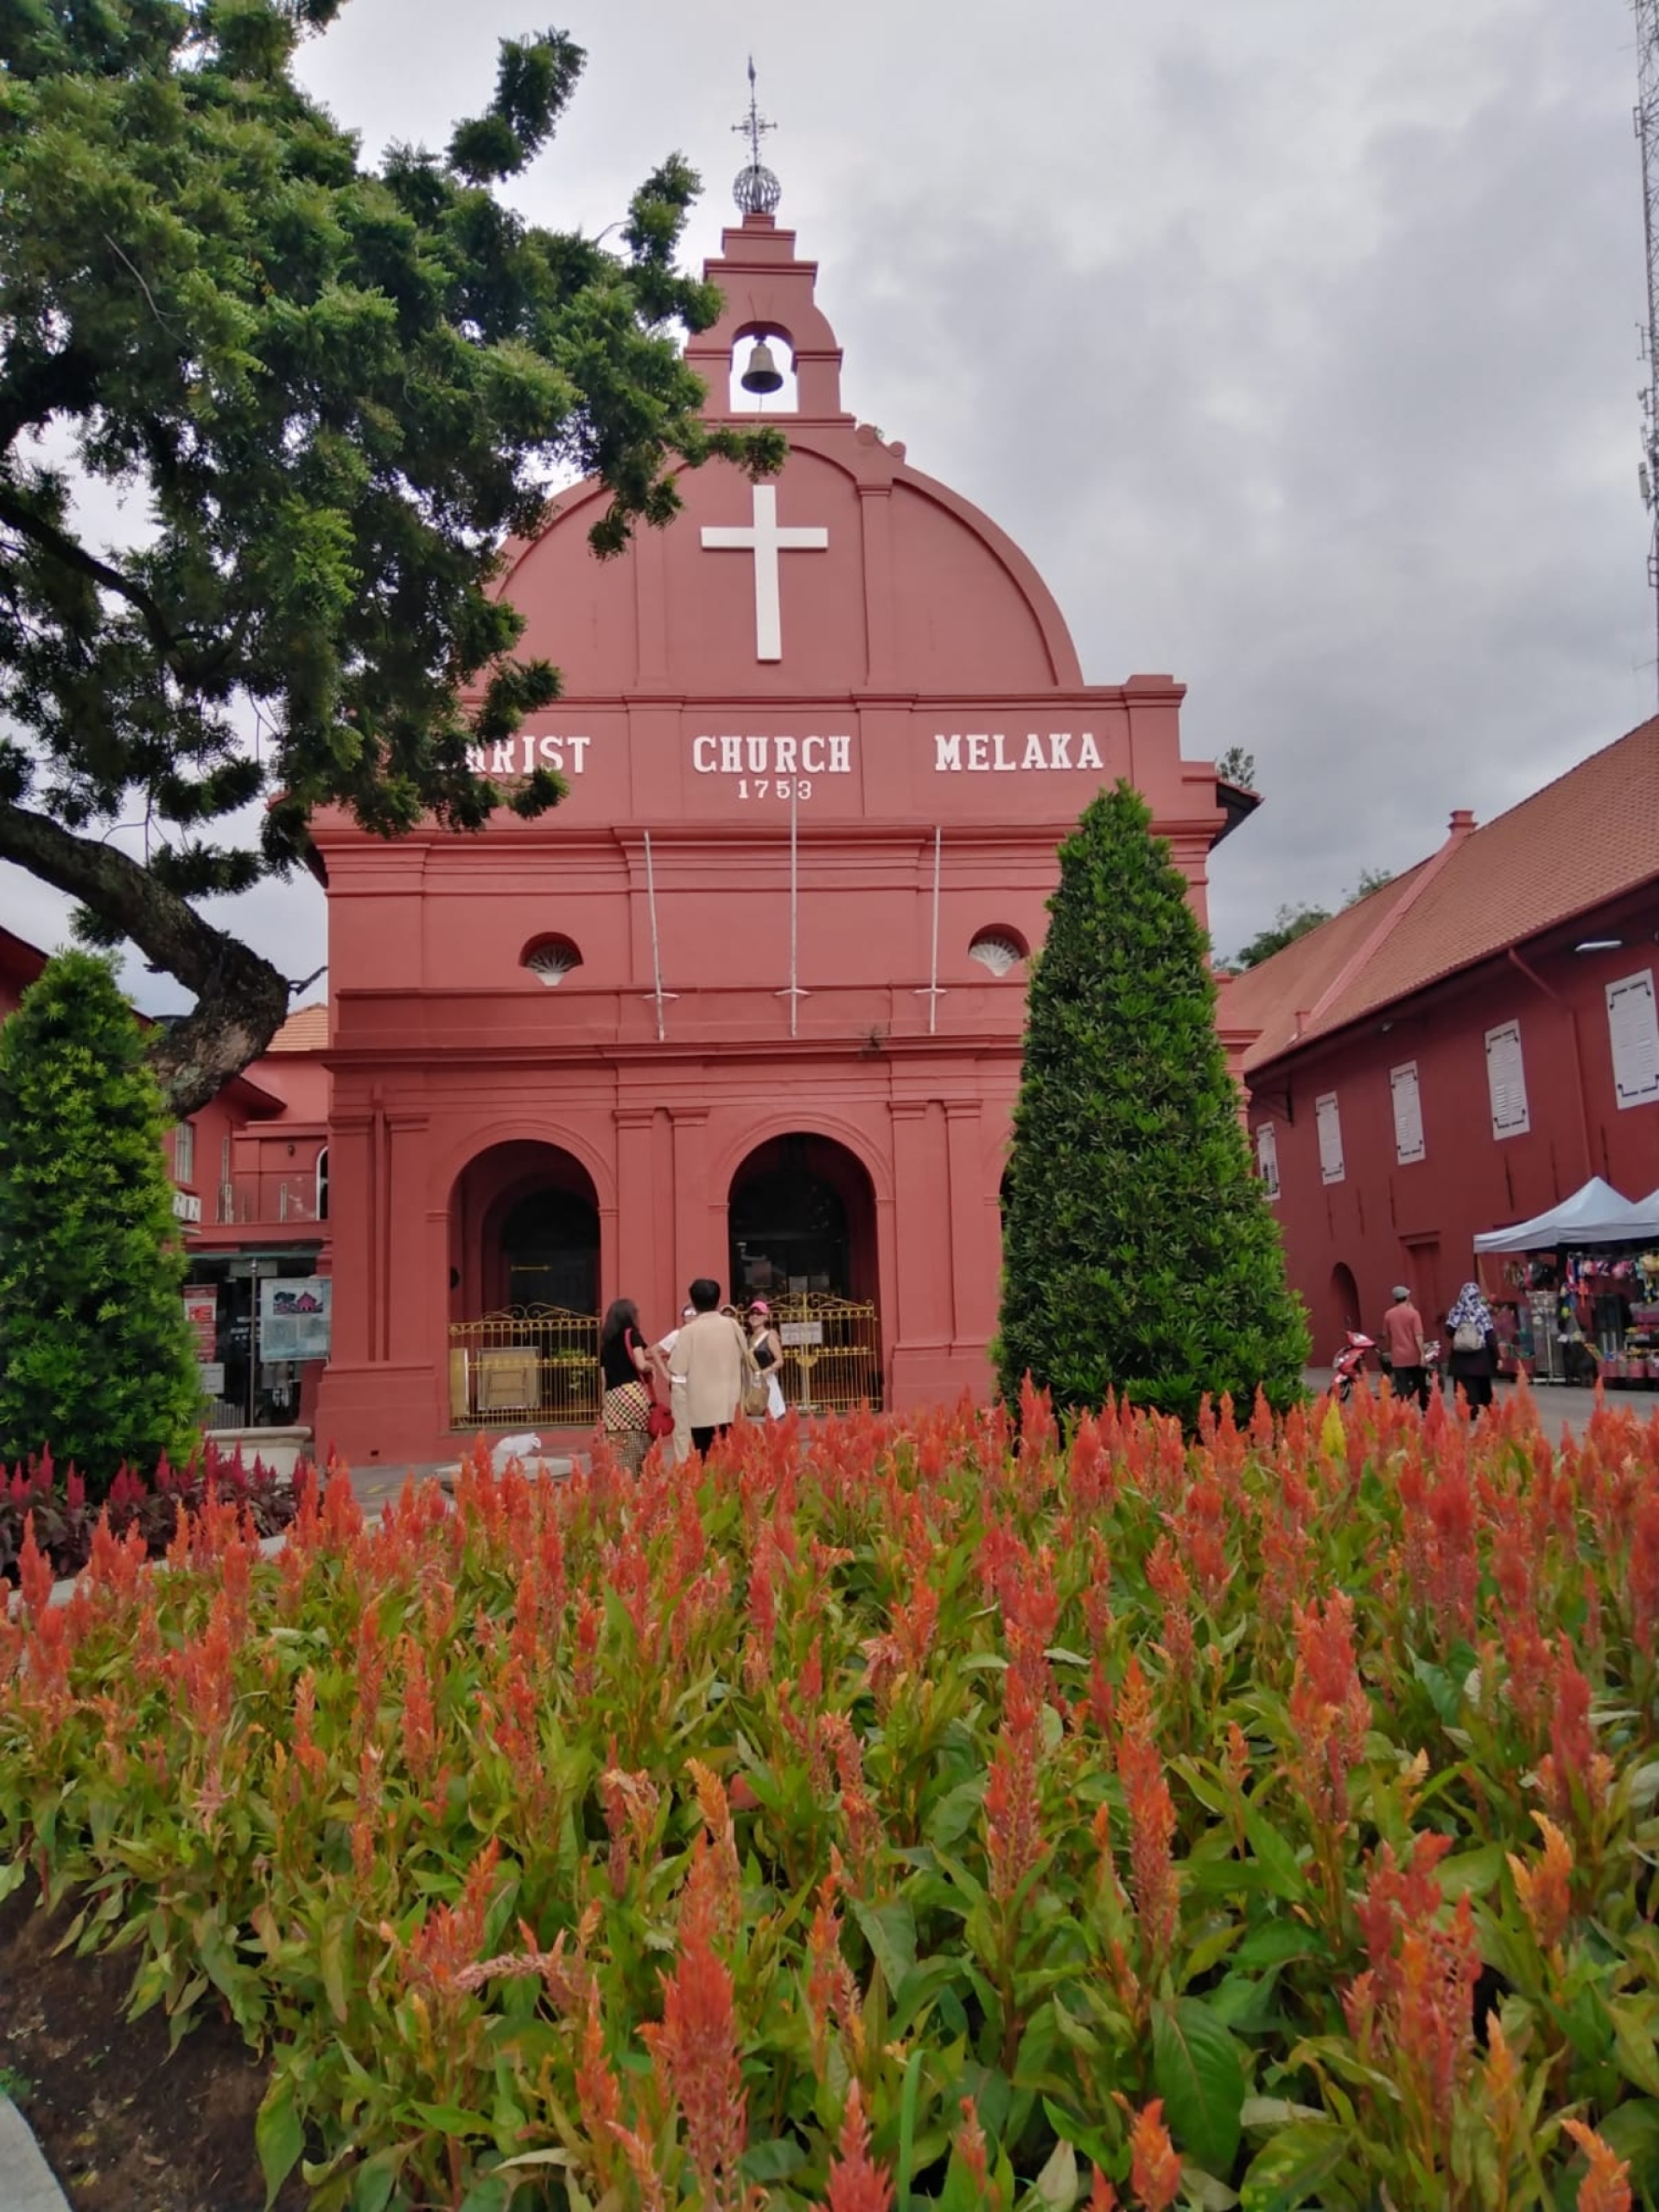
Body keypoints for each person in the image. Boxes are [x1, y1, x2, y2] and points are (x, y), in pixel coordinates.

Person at [668, 1278, 747, 1457]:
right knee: (731, 1460)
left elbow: (677, 1368)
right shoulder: (732, 1325)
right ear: (718, 1300)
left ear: (693, 1303)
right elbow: (746, 1356)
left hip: (700, 1411)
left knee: (705, 1460)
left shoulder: (689, 1332)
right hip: (730, 1405)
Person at [599, 1298, 655, 1473]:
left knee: (617, 1438)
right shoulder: (632, 1335)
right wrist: (650, 1366)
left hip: (612, 1396)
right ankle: (638, 1473)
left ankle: (622, 1475)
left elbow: (603, 1379)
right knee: (638, 1435)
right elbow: (640, 1364)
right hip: (631, 1392)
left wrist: (604, 1404)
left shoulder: (606, 1341)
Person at [1445, 1281, 1499, 1418]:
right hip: (1480, 1355)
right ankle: (1489, 1409)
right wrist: (1496, 1356)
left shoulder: (1456, 1311)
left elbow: (1449, 1331)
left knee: (1463, 1385)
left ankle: (1468, 1411)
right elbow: (1490, 1334)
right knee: (1482, 1384)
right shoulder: (1482, 1311)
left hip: (1461, 1356)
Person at [655, 1305, 696, 1464]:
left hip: (700, 1384)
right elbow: (654, 1351)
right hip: (680, 1384)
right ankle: (683, 1463)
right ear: (683, 1317)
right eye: (688, 1314)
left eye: (694, 1313)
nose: (691, 1316)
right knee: (681, 1427)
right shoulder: (677, 1335)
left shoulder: (703, 1335)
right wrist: (666, 1374)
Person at [1381, 1283, 1429, 1411]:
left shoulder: (1388, 1314)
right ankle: (1424, 1410)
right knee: (1420, 1384)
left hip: (1398, 1356)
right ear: (1407, 1297)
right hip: (1413, 1355)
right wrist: (1422, 1355)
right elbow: (1418, 1335)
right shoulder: (1413, 1314)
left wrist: (1388, 1349)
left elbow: (1387, 1336)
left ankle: (1404, 1411)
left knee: (1402, 1386)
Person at [747, 1299, 786, 1421]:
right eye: (752, 1313)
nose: (754, 1316)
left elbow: (780, 1361)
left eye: (759, 1313)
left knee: (770, 1418)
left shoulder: (770, 1336)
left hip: (767, 1383)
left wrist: (766, 1371)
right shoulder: (748, 1338)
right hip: (752, 1383)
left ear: (765, 1317)